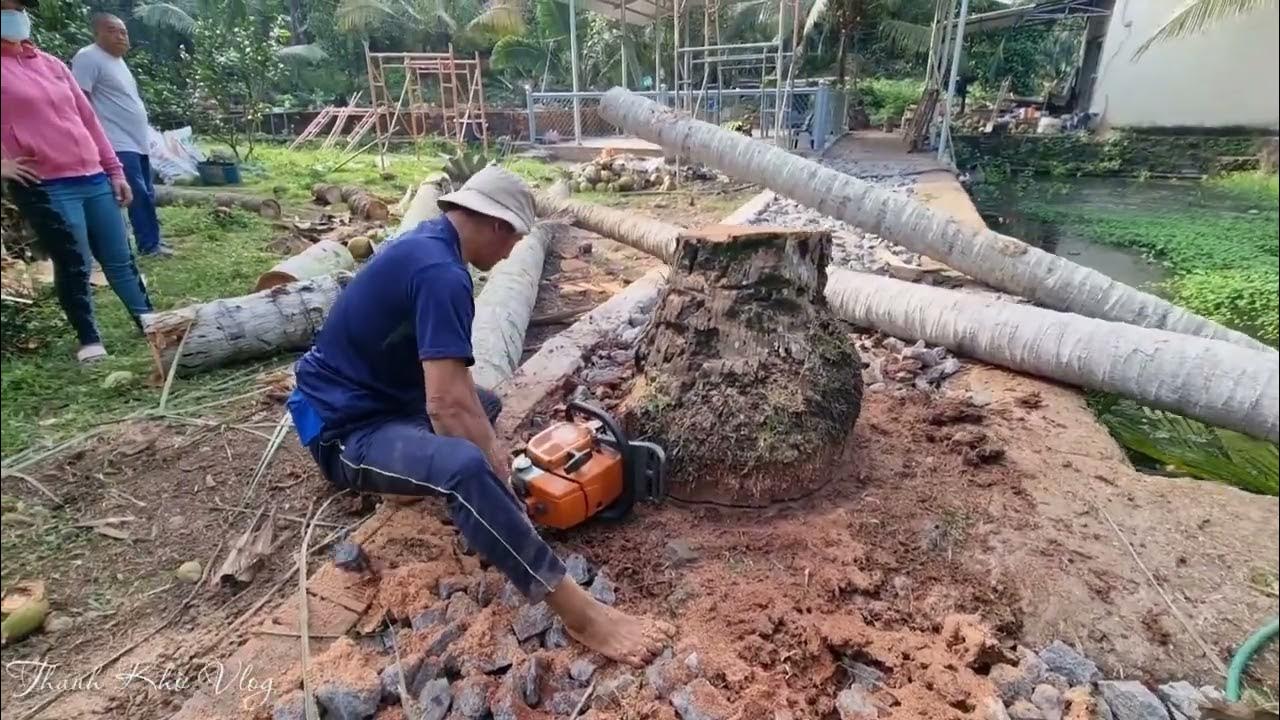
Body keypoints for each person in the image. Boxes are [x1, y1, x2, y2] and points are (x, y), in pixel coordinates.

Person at [287, 166, 674, 666]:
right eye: (513, 239)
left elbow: (458, 391)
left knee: (484, 408)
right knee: (462, 468)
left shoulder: (430, 246)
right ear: (495, 224)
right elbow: (444, 405)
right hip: (345, 428)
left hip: (383, 401)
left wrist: (491, 446)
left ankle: (417, 482)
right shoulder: (441, 274)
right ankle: (582, 615)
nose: (513, 251)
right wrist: (493, 471)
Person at [1, 0, 153, 364]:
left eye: (18, 8)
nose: (16, 15)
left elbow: (88, 119)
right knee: (74, 262)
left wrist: (114, 170)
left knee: (119, 257)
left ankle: (150, 321)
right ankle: (89, 338)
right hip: (45, 183)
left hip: (93, 174)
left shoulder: (50, 64)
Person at [72, 12, 171, 257]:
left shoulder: (117, 62)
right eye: (112, 30)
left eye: (124, 31)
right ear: (96, 33)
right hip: (115, 141)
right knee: (135, 193)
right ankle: (148, 245)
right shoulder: (88, 57)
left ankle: (152, 240)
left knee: (146, 192)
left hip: (137, 142)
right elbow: (79, 101)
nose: (120, 36)